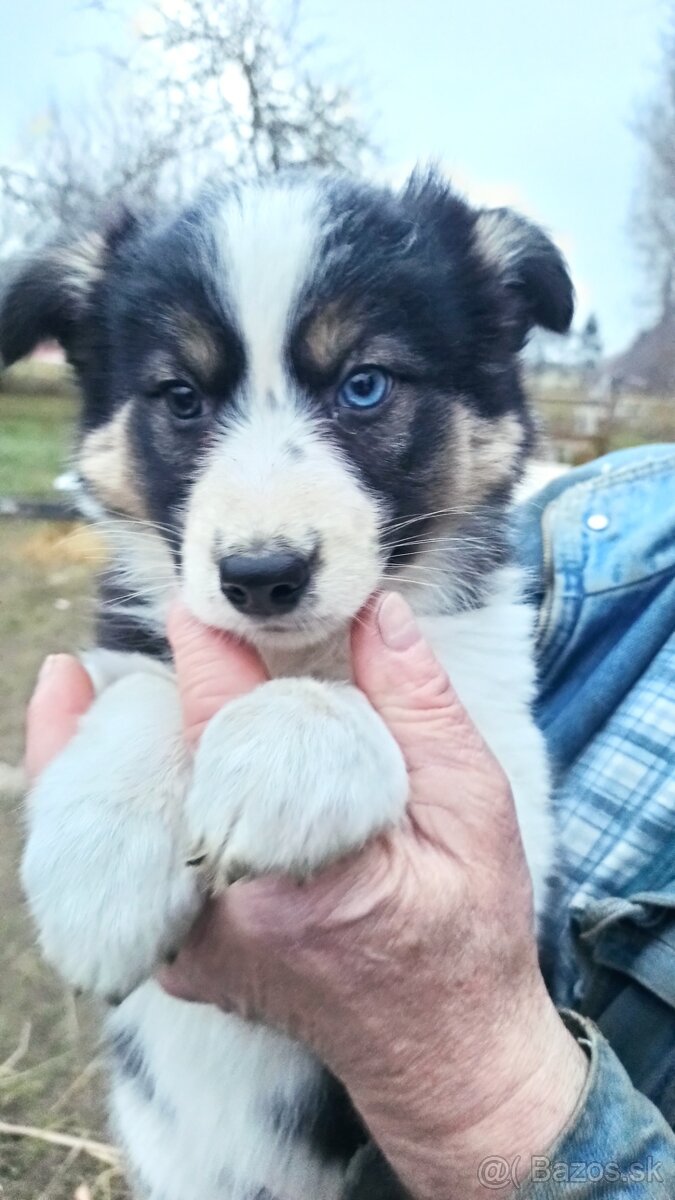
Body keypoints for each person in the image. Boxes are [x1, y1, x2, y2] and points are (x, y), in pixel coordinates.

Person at [25, 445, 675, 1198]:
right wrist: (131, 742)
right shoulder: (609, 516)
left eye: (364, 387)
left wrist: (481, 1106)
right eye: (179, 398)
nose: (262, 528)